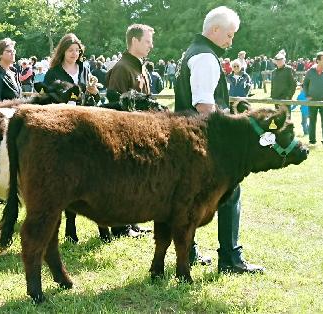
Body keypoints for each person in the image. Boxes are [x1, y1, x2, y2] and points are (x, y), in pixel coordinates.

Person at [174, 6, 264, 274]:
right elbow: (203, 105)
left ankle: (188, 252)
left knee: (189, 198)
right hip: (204, 139)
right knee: (232, 192)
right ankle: (230, 258)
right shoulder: (204, 57)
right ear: (214, 30)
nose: (231, 40)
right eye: (229, 34)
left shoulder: (193, 52)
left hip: (188, 136)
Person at [105, 24, 155, 238]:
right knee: (122, 181)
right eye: (147, 41)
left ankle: (131, 223)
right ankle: (119, 227)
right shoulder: (122, 68)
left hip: (140, 133)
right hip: (123, 136)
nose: (151, 46)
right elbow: (115, 107)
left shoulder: (139, 67)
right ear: (134, 41)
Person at [43, 33, 98, 100]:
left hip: (82, 110)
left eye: (77, 50)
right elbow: (45, 98)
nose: (74, 53)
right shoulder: (52, 73)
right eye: (70, 50)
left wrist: (94, 92)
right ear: (63, 52)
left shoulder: (84, 70)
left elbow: (95, 99)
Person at [302, 51, 323, 144]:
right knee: (312, 121)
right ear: (317, 60)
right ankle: (312, 140)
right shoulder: (310, 71)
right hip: (312, 101)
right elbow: (305, 84)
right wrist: (307, 95)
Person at [271, 50, 297, 118]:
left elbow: (293, 84)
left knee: (286, 118)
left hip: (285, 98)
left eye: (281, 60)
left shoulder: (289, 69)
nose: (279, 61)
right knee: (277, 117)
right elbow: (273, 84)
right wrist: (272, 95)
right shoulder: (274, 72)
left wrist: (289, 96)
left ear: (284, 60)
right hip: (276, 98)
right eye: (277, 60)